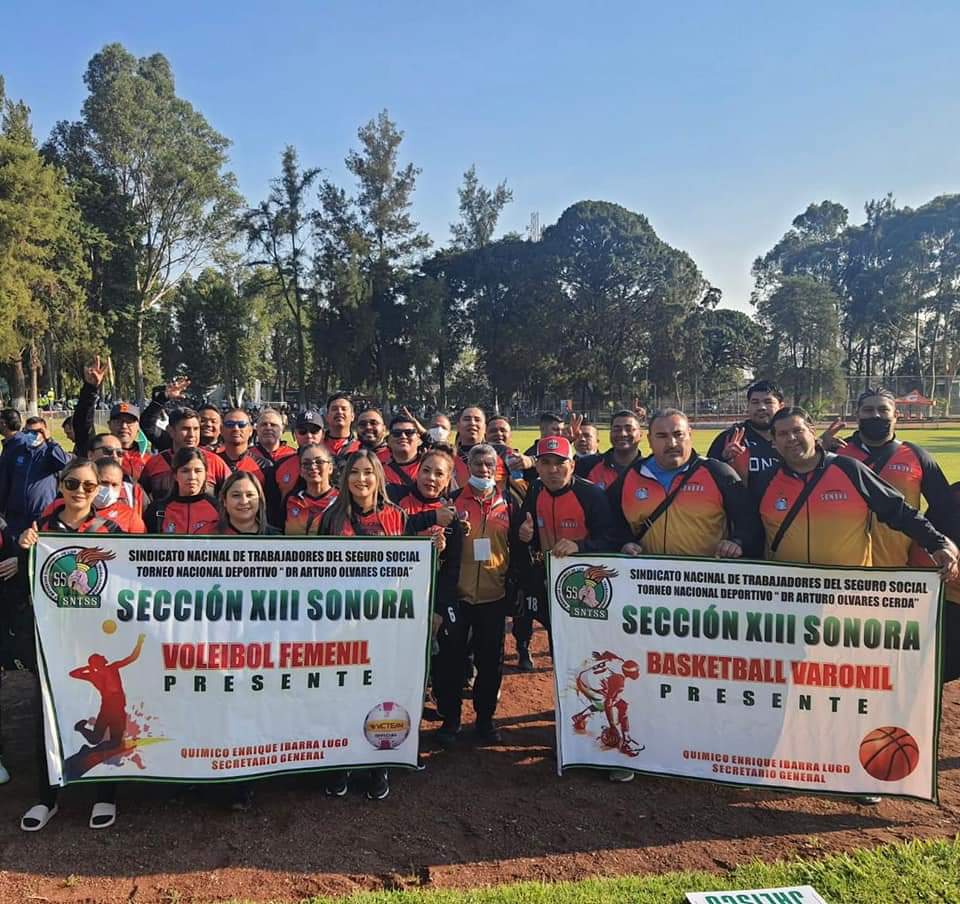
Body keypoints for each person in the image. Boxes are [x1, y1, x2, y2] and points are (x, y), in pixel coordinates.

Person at [16, 458, 129, 831]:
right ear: (60, 485)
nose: (80, 491)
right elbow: (27, 584)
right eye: (72, 483)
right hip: (54, 639)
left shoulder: (110, 531)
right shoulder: (42, 529)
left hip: (99, 640)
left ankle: (105, 793)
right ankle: (47, 797)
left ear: (98, 490)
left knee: (103, 715)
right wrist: (24, 549)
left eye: (89, 486)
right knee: (48, 713)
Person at [753, 407, 958, 575]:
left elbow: (897, 510)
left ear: (812, 432)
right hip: (788, 594)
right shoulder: (765, 479)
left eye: (798, 431)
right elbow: (749, 525)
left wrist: (936, 543)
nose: (791, 438)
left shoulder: (849, 469)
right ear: (773, 441)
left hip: (849, 593)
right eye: (783, 434)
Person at [318, 449, 408, 801]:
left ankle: (378, 763)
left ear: (378, 477)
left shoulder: (396, 516)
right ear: (345, 478)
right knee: (341, 690)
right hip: (341, 622)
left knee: (380, 691)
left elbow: (410, 570)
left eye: (368, 472)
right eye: (354, 472)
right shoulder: (332, 517)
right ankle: (339, 761)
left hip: (385, 622)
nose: (361, 479)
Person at [434, 443, 524, 747]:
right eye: (477, 464)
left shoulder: (509, 502)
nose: (483, 470)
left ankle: (485, 720)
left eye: (489, 465)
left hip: (493, 596)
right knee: (452, 662)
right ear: (468, 466)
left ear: (496, 468)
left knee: (490, 663)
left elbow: (518, 545)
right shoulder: (452, 501)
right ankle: (451, 720)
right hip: (457, 597)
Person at [609, 409, 762, 560]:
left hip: (704, 574)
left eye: (678, 434)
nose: (672, 443)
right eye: (662, 436)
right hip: (647, 574)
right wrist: (624, 543)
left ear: (690, 434)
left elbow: (749, 521)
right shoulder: (632, 474)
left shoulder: (718, 473)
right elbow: (611, 521)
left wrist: (737, 542)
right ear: (650, 440)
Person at [832, 387, 957, 567]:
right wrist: (818, 446)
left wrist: (930, 548)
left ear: (896, 415)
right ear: (857, 415)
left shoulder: (917, 456)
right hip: (839, 568)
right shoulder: (833, 454)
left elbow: (945, 509)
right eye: (868, 410)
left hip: (898, 567)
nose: (876, 415)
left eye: (883, 410)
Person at [138, 408, 231, 500]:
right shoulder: (154, 463)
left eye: (196, 429)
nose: (191, 435)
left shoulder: (214, 462)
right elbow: (140, 498)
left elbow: (233, 490)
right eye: (185, 429)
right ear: (170, 431)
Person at [0, 416, 70, 536]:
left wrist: (50, 440)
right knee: (15, 544)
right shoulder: (17, 451)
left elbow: (65, 463)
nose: (31, 435)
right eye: (28, 431)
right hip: (16, 514)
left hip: (41, 514)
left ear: (45, 432)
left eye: (37, 431)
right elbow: (6, 478)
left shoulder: (50, 453)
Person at [707, 380, 784, 482]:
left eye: (768, 402)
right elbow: (708, 477)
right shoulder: (729, 438)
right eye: (755, 402)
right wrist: (724, 460)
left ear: (781, 406)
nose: (761, 407)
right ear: (748, 406)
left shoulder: (790, 438)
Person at [218, 408, 281, 526]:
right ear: (221, 429)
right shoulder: (212, 462)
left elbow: (271, 507)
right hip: (219, 530)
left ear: (251, 430)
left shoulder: (265, 466)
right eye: (230, 424)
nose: (236, 428)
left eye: (241, 424)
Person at [143, 448, 220, 535]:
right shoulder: (157, 510)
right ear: (175, 475)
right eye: (185, 471)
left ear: (205, 474)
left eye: (198, 471)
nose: (192, 477)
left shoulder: (218, 509)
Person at [575, 409, 644, 490]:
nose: (623, 434)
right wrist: (566, 441)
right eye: (617, 429)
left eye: (629, 429)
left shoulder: (648, 469)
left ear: (641, 434)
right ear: (610, 433)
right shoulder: (587, 465)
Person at [273, 410, 325, 510]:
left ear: (323, 435)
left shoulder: (333, 465)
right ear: (294, 435)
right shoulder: (280, 465)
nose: (309, 436)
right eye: (302, 431)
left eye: (314, 431)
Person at [285, 445, 339, 534]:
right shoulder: (291, 500)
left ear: (330, 468)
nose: (313, 467)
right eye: (306, 463)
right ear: (301, 471)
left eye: (319, 462)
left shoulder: (341, 500)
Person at [89, 434, 147, 515]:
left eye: (119, 453)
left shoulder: (133, 491)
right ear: (90, 455)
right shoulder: (76, 486)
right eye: (108, 451)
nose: (115, 456)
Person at [383, 414, 426, 488]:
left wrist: (425, 434)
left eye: (409, 432)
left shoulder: (429, 465)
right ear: (388, 440)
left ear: (419, 438)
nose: (403, 436)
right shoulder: (379, 471)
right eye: (397, 433)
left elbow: (444, 451)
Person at [322, 393, 361, 465]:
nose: (339, 412)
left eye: (344, 409)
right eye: (334, 409)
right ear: (327, 416)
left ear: (352, 416)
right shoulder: (318, 445)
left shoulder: (361, 447)